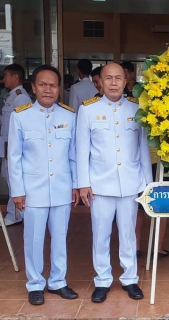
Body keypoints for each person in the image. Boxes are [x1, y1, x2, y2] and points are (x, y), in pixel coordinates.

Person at [76, 63, 152, 303]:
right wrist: (83, 183)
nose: (113, 82)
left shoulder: (136, 108)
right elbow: (82, 150)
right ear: (99, 81)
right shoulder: (88, 110)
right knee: (101, 234)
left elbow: (143, 149)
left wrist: (147, 184)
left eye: (118, 78)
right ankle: (102, 280)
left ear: (126, 80)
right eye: (108, 78)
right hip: (99, 185)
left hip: (129, 183)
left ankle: (130, 279)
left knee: (128, 233)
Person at [8, 65, 79, 305]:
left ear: (59, 88)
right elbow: (14, 157)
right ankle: (35, 284)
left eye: (53, 85)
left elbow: (74, 155)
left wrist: (76, 185)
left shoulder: (69, 116)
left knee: (60, 237)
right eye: (43, 84)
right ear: (33, 87)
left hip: (61, 188)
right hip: (33, 191)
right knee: (34, 239)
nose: (48, 89)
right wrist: (17, 191)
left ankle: (58, 281)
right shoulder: (20, 115)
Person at [0, 64, 32, 227]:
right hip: (6, 144)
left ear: (15, 77)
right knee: (8, 177)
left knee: (14, 178)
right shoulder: (12, 96)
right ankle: (15, 213)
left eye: (6, 75)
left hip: (13, 145)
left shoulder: (21, 97)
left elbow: (24, 125)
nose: (3, 79)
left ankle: (16, 214)